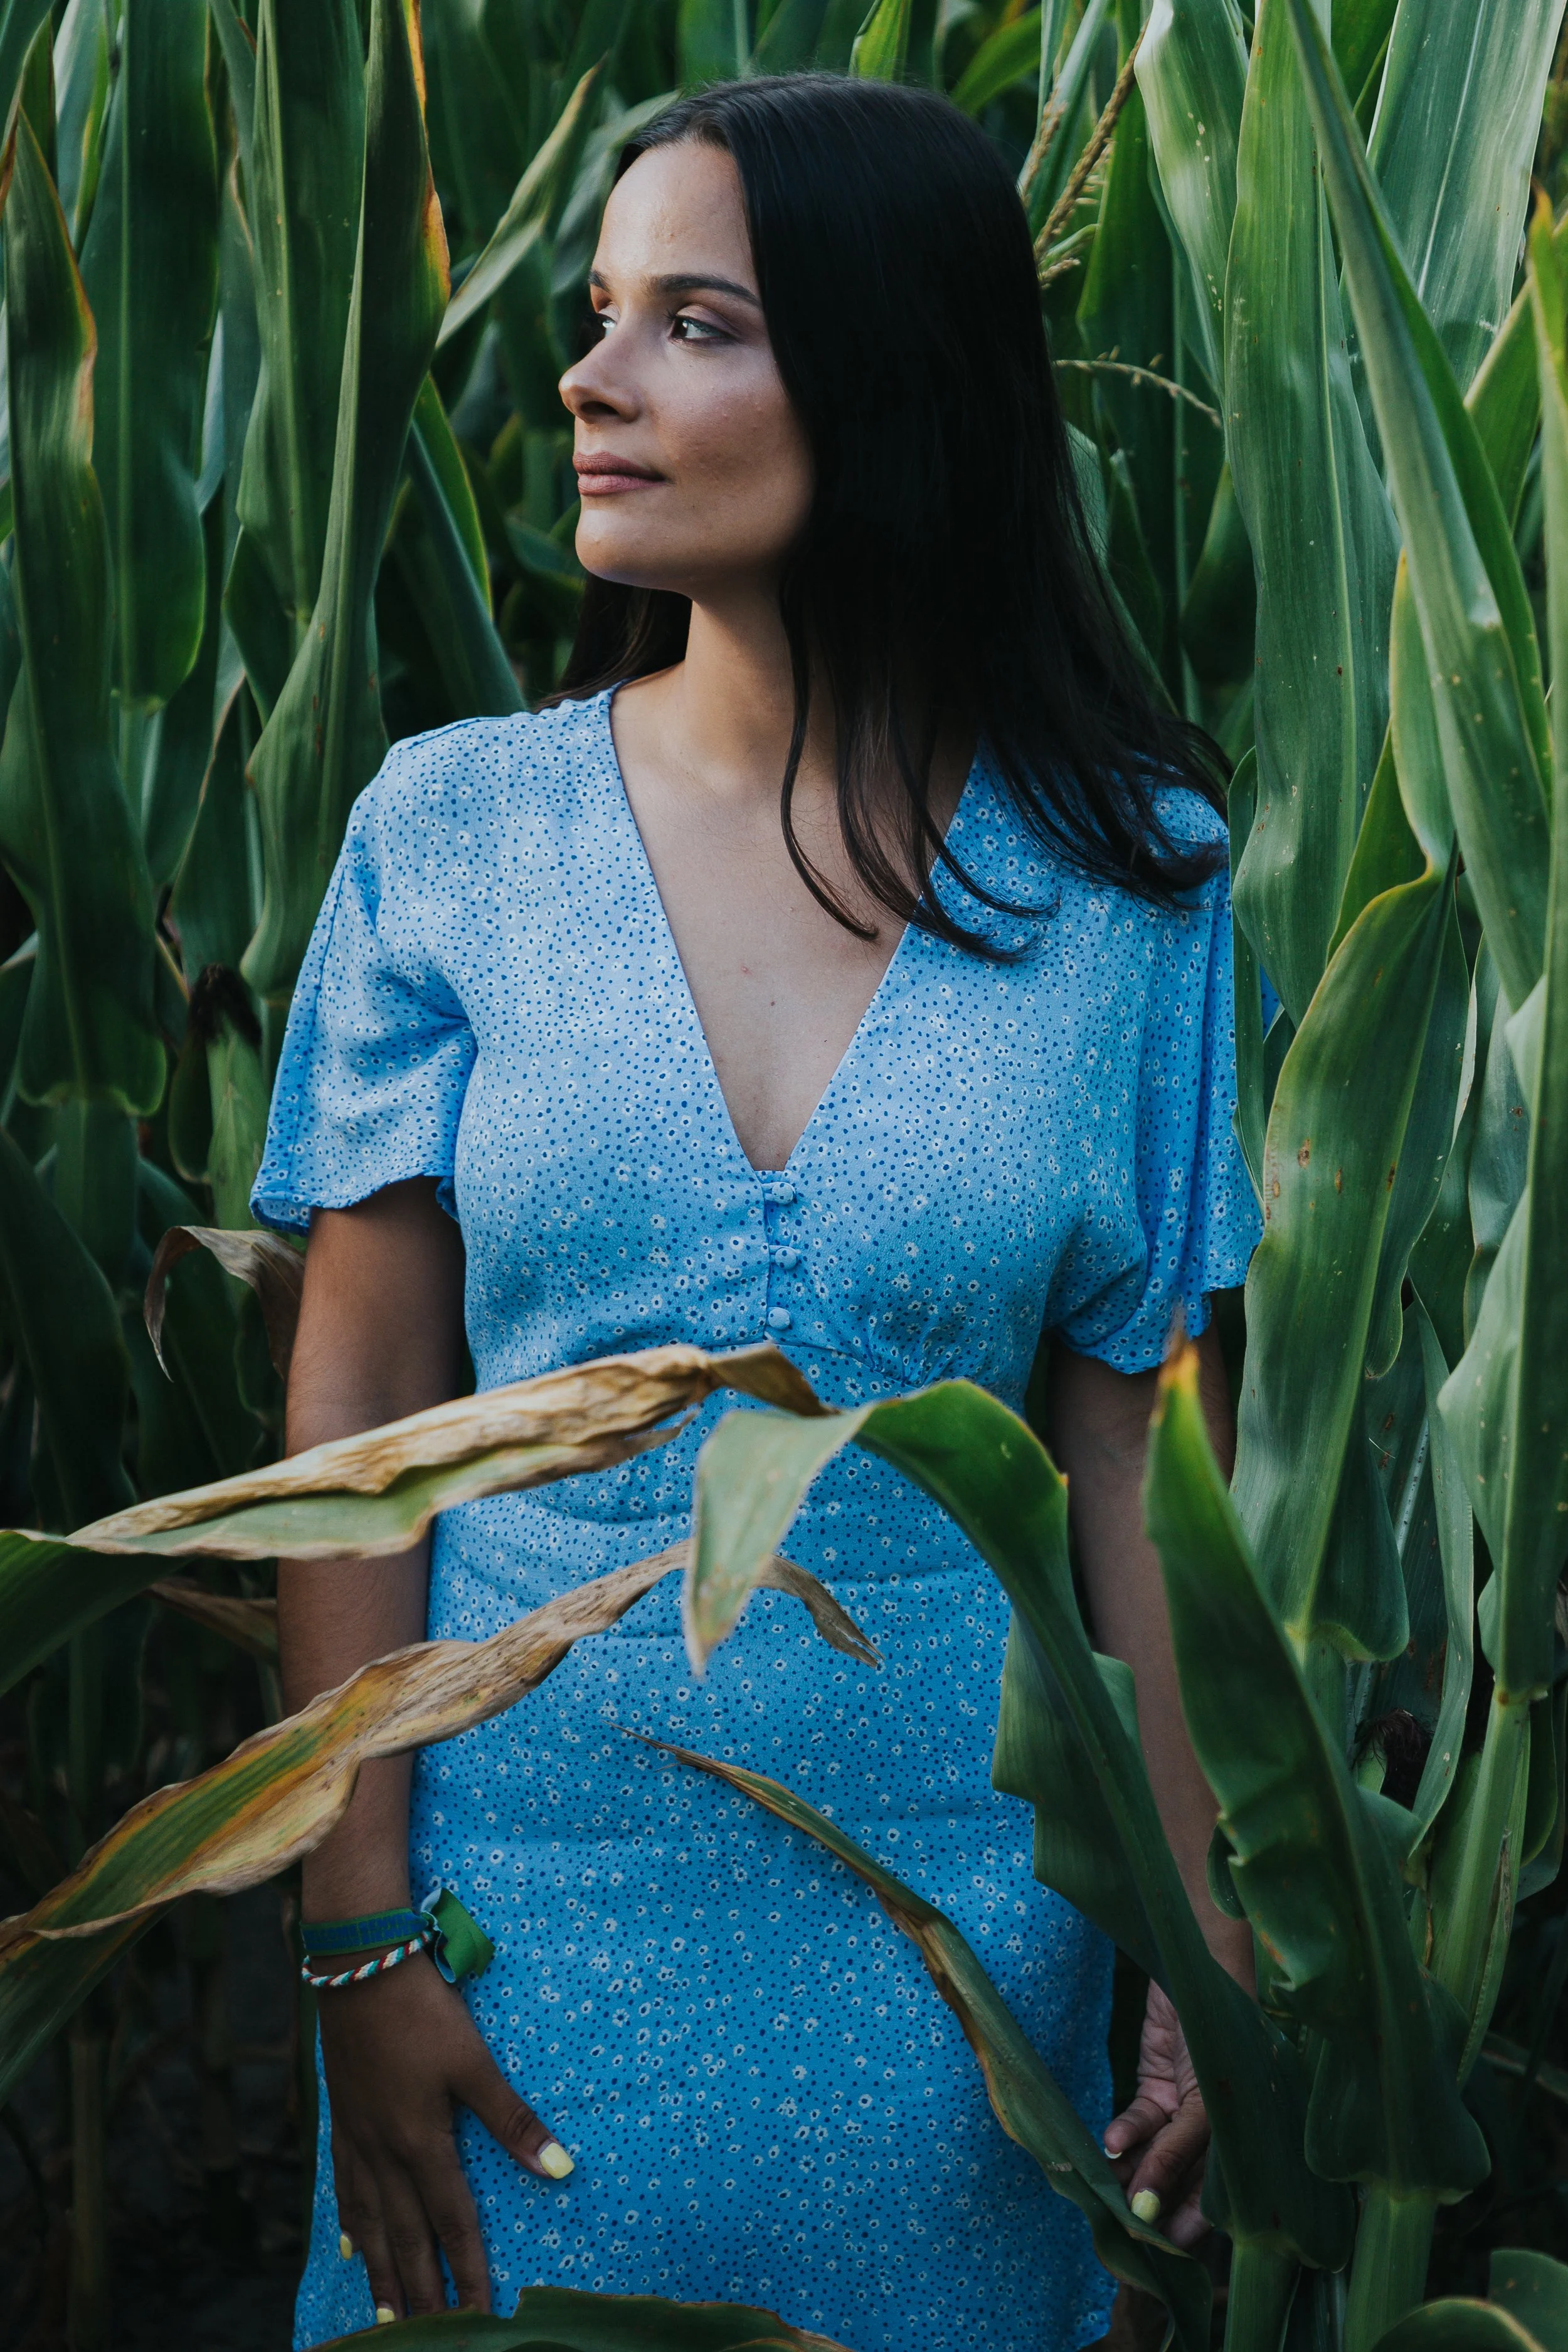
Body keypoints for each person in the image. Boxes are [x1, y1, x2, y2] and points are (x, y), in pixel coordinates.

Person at [258, 72, 1259, 2352]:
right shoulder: (450, 831)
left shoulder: (1136, 884)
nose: (588, 379)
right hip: (508, 1922)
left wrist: (1195, 1955)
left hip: (967, 1953)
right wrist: (352, 1933)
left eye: (690, 323)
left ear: (893, 377)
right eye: (600, 316)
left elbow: (1135, 1456)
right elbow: (356, 1415)